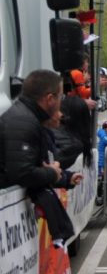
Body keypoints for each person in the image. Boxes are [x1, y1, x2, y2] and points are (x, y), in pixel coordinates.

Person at [0, 70, 79, 247]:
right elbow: (22, 172)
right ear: (49, 98)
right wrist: (52, 173)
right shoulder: (24, 121)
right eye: (60, 97)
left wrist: (61, 176)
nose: (61, 103)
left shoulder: (30, 119)